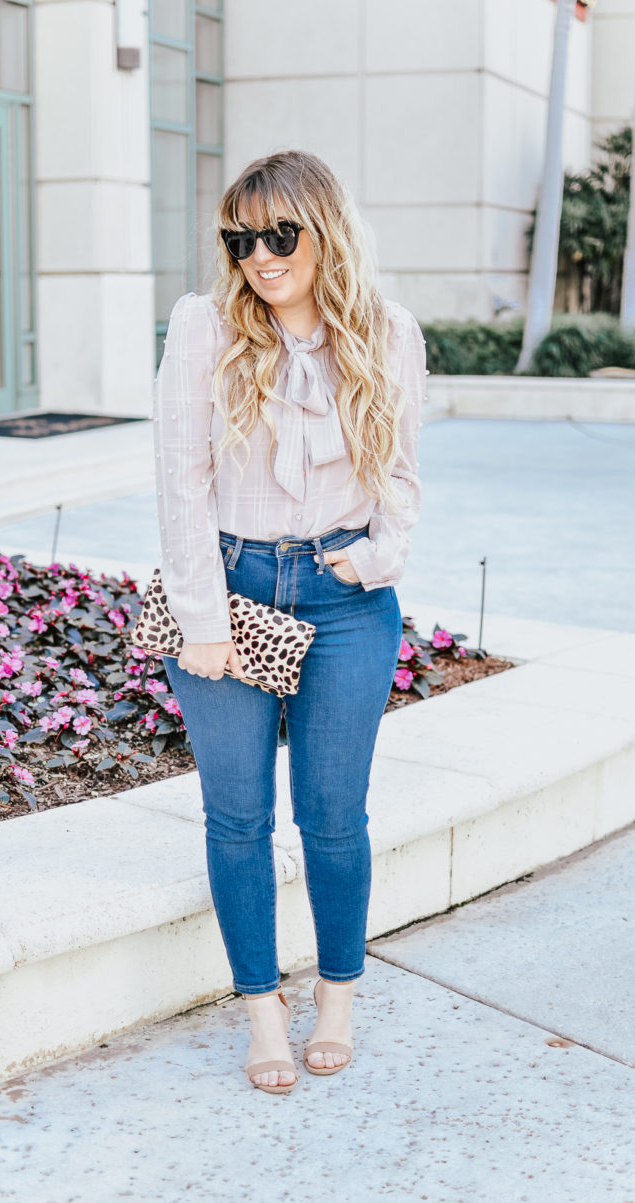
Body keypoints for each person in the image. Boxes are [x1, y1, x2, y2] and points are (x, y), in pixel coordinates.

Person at [152, 149, 427, 1094]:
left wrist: (376, 556)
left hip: (348, 601)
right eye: (241, 238)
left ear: (323, 231)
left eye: (279, 234)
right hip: (231, 585)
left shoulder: (386, 333)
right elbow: (181, 479)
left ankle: (337, 1000)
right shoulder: (205, 329)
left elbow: (401, 476)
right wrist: (202, 614)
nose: (260, 256)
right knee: (237, 818)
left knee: (334, 818)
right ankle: (262, 1010)